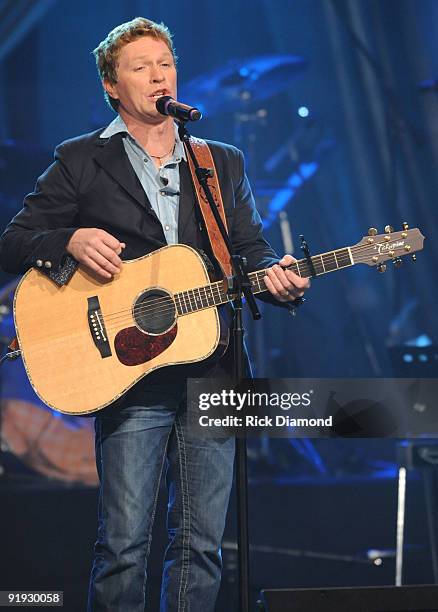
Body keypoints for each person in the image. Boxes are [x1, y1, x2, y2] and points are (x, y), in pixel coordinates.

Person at [0, 17, 310, 612]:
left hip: (211, 365)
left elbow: (248, 252)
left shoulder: (222, 161)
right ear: (111, 86)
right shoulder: (81, 159)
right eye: (140, 67)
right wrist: (67, 238)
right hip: (125, 367)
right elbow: (13, 241)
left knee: (202, 546)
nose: (157, 74)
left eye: (164, 62)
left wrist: (279, 281)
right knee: (124, 545)